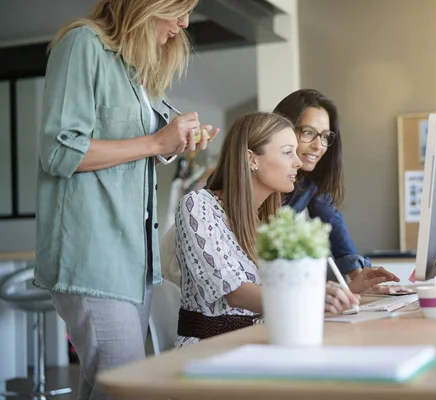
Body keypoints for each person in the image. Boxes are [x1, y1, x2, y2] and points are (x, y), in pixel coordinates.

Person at [34, 1, 218, 398]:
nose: (185, 24)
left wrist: (175, 140)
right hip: (94, 257)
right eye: (179, 10)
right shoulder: (83, 45)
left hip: (136, 262)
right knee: (129, 389)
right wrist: (155, 141)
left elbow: (144, 140)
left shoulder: (136, 69)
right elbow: (59, 151)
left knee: (106, 388)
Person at [174, 112, 370, 347]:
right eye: (288, 152)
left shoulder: (270, 223)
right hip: (212, 350)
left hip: (266, 342)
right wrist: (310, 299)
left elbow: (285, 288)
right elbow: (235, 292)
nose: (298, 162)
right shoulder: (197, 206)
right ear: (251, 159)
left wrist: (344, 291)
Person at [274, 89, 402, 293]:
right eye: (308, 133)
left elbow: (333, 222)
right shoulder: (250, 179)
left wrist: (363, 280)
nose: (319, 146)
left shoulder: (309, 181)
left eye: (325, 136)